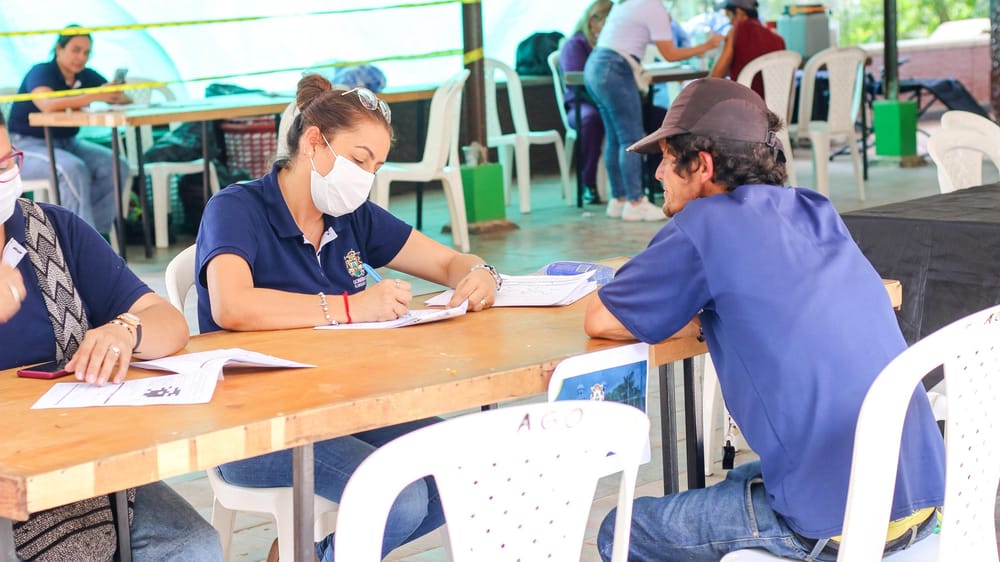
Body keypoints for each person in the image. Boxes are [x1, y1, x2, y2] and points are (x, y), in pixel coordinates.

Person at [584, 78, 944, 561]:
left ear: (703, 164)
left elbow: (601, 317)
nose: (658, 174)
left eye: (667, 159)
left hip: (837, 523)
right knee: (738, 480)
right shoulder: (814, 208)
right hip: (920, 499)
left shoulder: (704, 225)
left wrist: (696, 319)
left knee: (622, 529)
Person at [195, 74, 502, 561]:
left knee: (469, 465)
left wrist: (481, 273)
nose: (366, 177)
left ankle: (311, 555)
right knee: (400, 500)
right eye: (359, 160)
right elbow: (230, 306)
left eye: (376, 166)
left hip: (345, 409)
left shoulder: (350, 215)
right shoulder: (236, 208)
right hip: (255, 428)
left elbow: (448, 262)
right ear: (314, 142)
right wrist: (348, 307)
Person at [0, 113, 221, 561]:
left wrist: (125, 331)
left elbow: (167, 321)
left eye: (6, 162)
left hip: (80, 460)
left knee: (192, 546)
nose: (6, 178)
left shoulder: (52, 232)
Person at [583, 0, 721, 222]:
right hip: (614, 68)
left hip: (596, 65)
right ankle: (636, 202)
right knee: (630, 137)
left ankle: (619, 199)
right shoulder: (653, 5)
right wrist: (707, 45)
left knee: (616, 138)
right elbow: (670, 54)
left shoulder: (630, 3)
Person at [7, 25, 130, 238]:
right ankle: (78, 240)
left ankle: (98, 236)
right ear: (59, 49)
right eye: (76, 50)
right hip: (26, 146)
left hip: (68, 142)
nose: (81, 57)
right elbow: (47, 104)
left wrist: (114, 92)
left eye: (86, 52)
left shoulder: (86, 76)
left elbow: (125, 99)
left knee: (116, 165)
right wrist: (95, 95)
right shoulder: (41, 71)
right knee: (72, 169)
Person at [559, 0, 613, 204]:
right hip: (581, 104)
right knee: (591, 120)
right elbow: (577, 83)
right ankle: (588, 183)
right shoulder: (575, 45)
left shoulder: (613, 45)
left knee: (657, 115)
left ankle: (651, 177)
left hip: (611, 100)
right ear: (593, 22)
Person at [710, 0, 787, 98]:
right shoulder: (778, 39)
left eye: (729, 16)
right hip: (774, 104)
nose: (730, 22)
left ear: (739, 13)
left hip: (745, 103)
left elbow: (716, 77)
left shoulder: (737, 29)